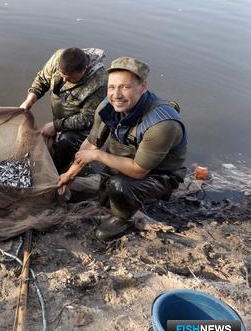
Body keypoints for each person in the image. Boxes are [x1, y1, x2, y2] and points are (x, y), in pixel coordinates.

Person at [57, 57, 187, 241]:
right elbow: (91, 143)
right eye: (112, 87)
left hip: (158, 172)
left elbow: (139, 170)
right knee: (104, 195)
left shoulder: (162, 125)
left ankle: (123, 219)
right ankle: (115, 194)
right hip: (127, 157)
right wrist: (70, 174)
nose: (116, 95)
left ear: (143, 87)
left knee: (119, 186)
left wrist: (97, 156)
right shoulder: (108, 105)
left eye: (125, 87)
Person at [20, 47, 107, 173]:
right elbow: (42, 80)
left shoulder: (100, 82)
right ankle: (53, 160)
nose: (65, 80)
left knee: (66, 141)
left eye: (71, 78)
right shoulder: (58, 58)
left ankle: (58, 172)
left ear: (84, 69)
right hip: (62, 113)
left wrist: (56, 125)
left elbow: (88, 118)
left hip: (83, 126)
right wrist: (29, 100)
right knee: (53, 141)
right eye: (62, 75)